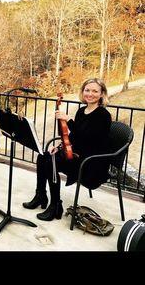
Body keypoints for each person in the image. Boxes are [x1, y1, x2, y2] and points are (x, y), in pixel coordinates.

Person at [23, 78, 112, 221]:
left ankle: (55, 205)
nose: (90, 94)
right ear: (82, 92)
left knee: (51, 162)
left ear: (102, 94)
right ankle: (40, 195)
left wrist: (69, 120)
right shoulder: (82, 111)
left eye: (95, 91)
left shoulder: (103, 115)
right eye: (87, 90)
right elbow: (75, 138)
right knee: (43, 156)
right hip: (79, 154)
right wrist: (58, 147)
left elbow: (89, 140)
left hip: (91, 162)